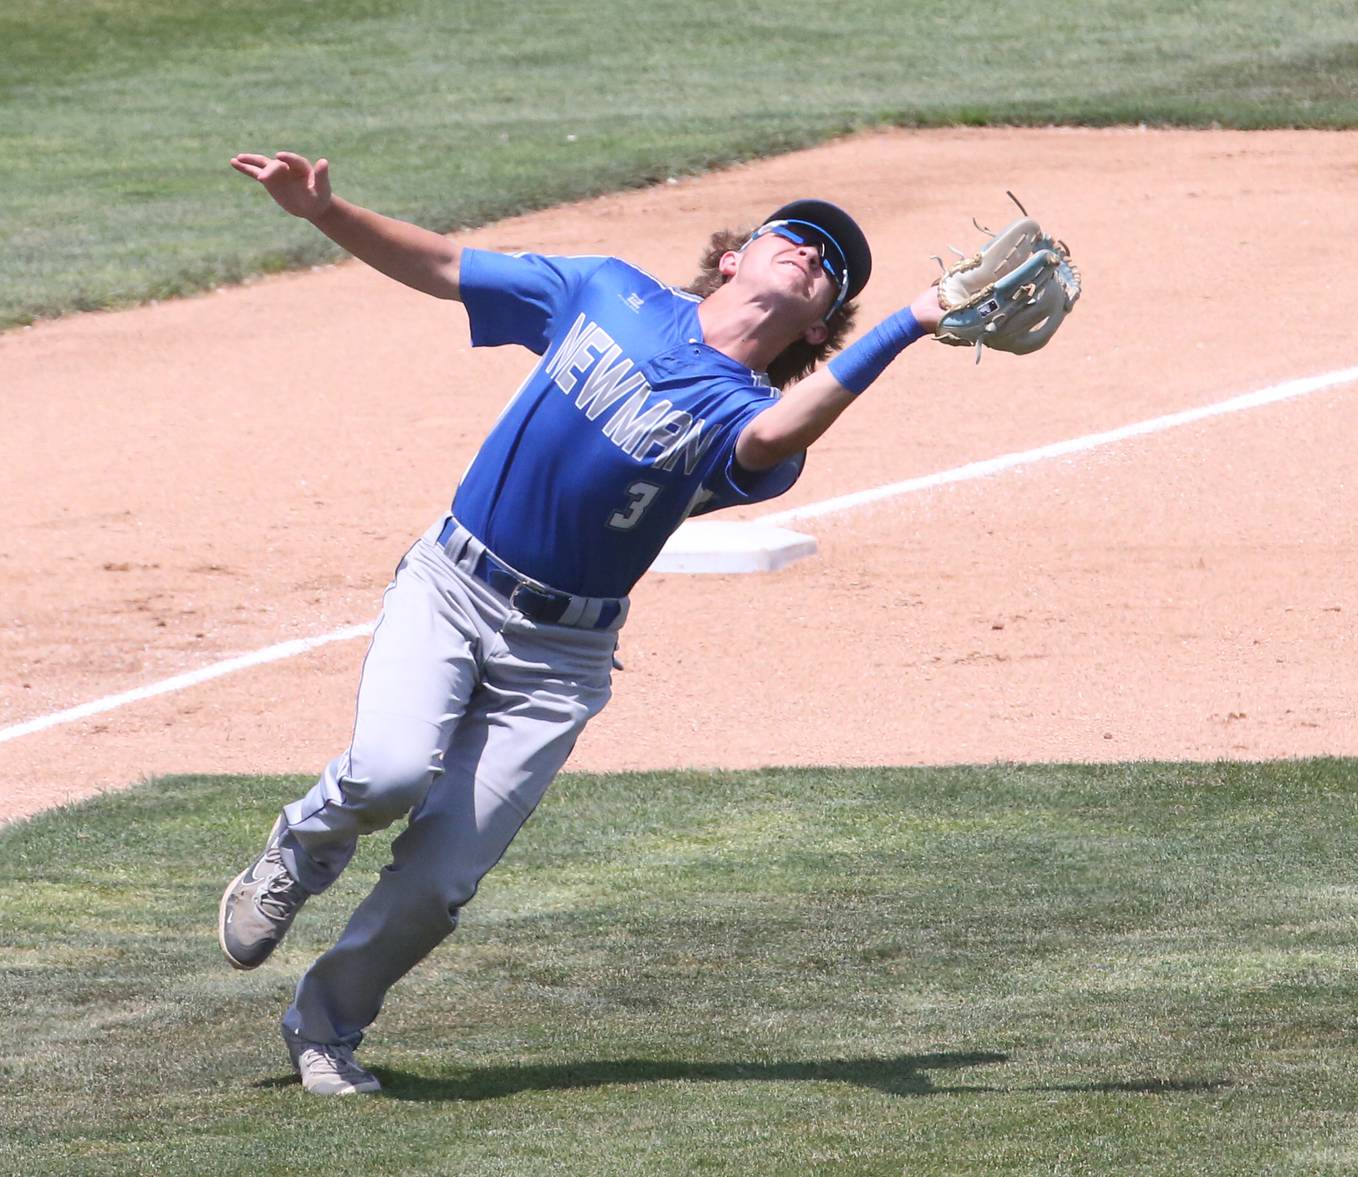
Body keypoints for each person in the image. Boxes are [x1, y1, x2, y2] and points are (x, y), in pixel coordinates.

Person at [219, 150, 945, 1096]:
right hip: (453, 583)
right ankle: (303, 847)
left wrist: (911, 324)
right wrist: (322, 211)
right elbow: (445, 267)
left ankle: (325, 1027)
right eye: (795, 235)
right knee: (389, 770)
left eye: (830, 268)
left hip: (559, 659)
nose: (812, 254)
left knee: (440, 881)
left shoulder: (749, 421)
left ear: (820, 321)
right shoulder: (605, 292)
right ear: (733, 256)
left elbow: (774, 437)